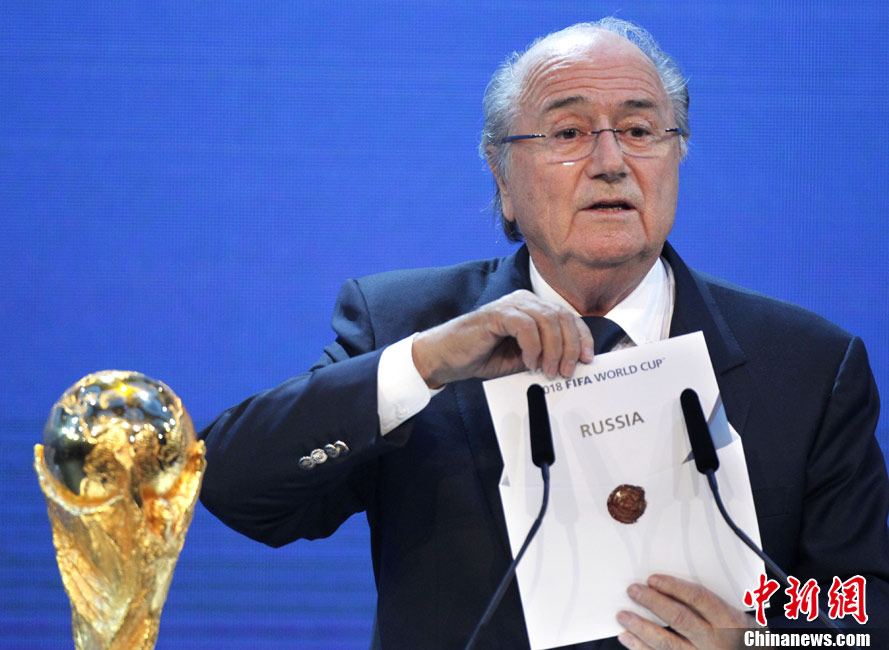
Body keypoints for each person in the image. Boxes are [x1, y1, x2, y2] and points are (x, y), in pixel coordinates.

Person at [199, 17, 889, 649]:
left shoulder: (808, 366)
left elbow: (868, 619)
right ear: (501, 177)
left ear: (676, 156)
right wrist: (424, 365)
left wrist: (760, 645)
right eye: (568, 133)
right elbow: (231, 487)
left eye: (640, 130)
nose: (611, 161)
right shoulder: (406, 328)